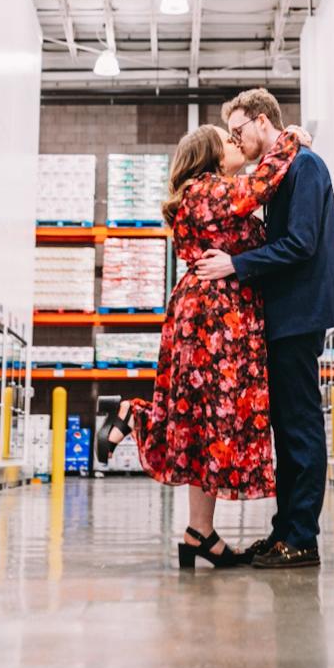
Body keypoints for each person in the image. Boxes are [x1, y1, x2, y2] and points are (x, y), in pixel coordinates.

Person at [97, 121, 301, 569]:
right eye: (228, 140)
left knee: (203, 419)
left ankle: (199, 532)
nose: (235, 143)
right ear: (209, 155)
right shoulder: (203, 189)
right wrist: (289, 139)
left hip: (210, 313)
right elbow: (260, 186)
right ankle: (137, 414)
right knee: (214, 412)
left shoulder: (207, 193)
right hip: (215, 316)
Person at [195, 89, 334, 569]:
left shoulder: (305, 168)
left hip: (301, 314)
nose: (236, 140)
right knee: (288, 430)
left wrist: (236, 265)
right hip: (286, 316)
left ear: (264, 122)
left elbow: (302, 244)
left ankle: (302, 538)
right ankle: (285, 530)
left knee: (301, 428)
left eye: (240, 131)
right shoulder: (280, 171)